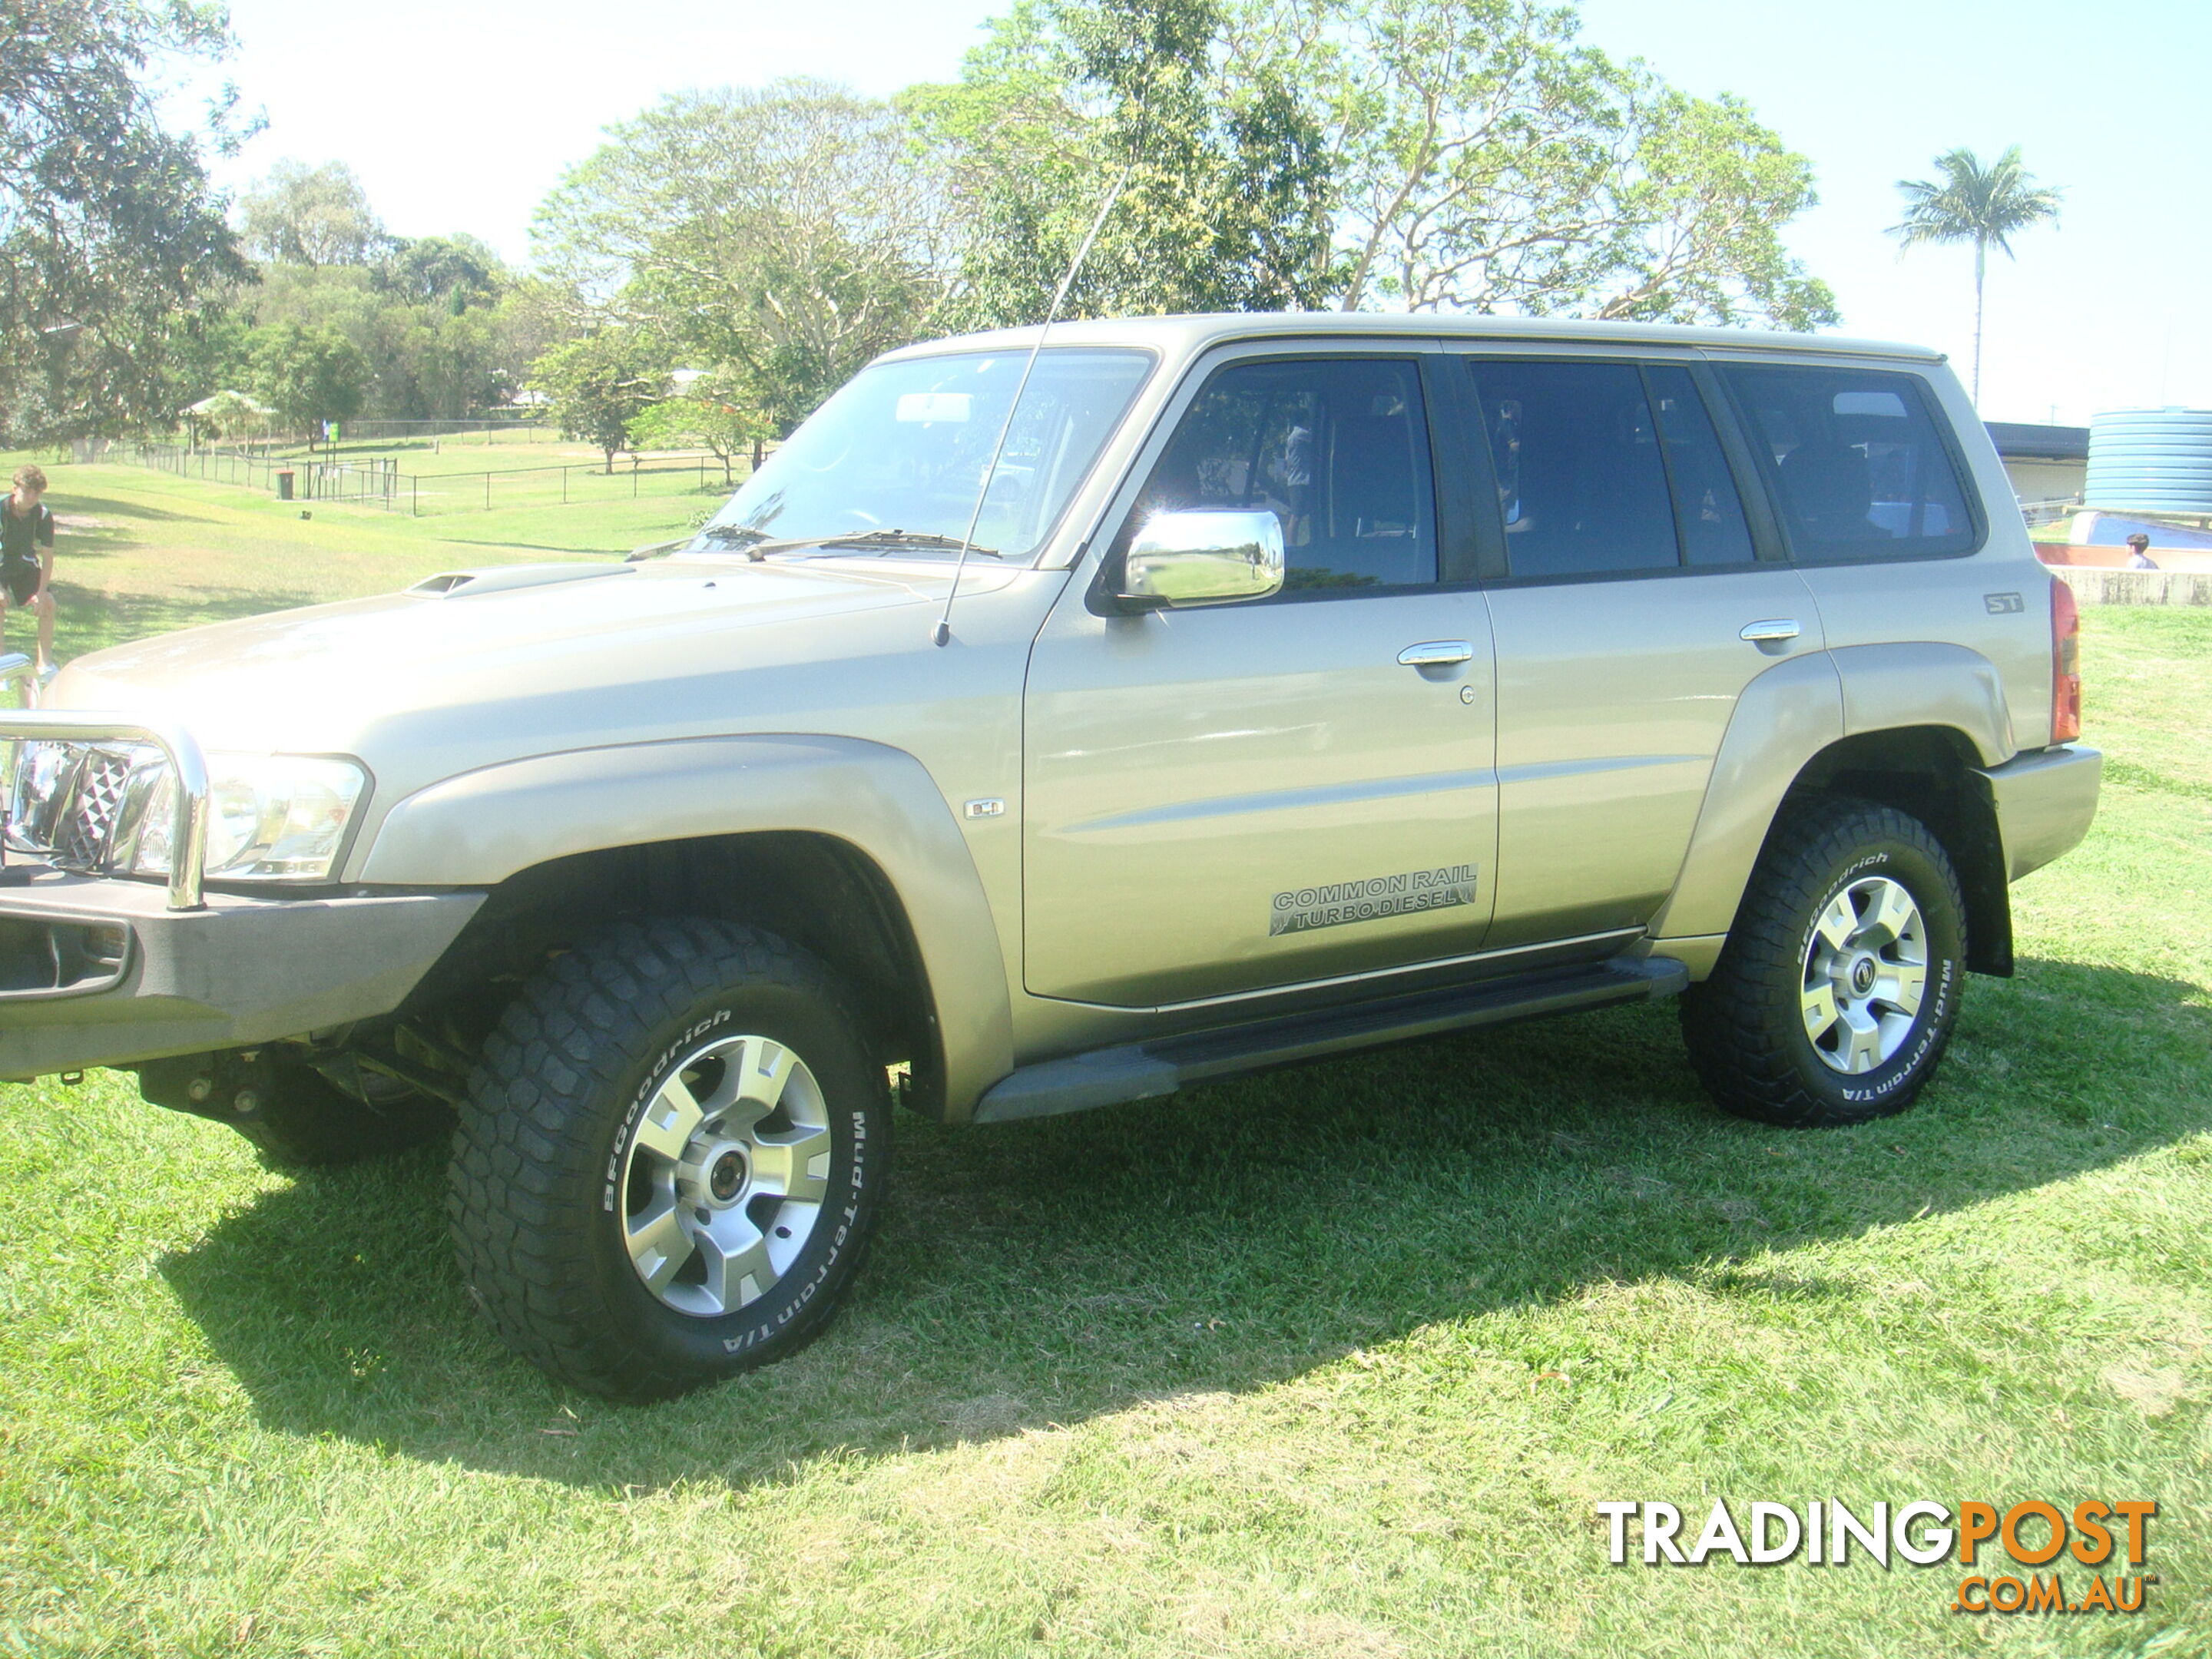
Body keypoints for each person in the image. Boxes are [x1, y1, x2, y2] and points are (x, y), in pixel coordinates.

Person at [0, 464, 57, 677]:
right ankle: (2, 668)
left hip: (24, 565)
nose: (32, 497)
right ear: (15, 488)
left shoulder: (42, 514)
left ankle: (45, 665)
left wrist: (41, 594)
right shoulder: (1, 509)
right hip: (1, 564)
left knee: (49, 604)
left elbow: (48, 557)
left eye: (37, 492)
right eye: (27, 491)